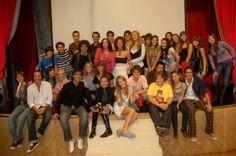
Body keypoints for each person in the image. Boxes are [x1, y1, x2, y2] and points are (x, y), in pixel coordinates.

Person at [54, 70, 92, 153]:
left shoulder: (82, 85)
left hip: (79, 105)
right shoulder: (67, 86)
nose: (78, 76)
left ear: (81, 77)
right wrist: (56, 111)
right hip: (67, 106)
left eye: (80, 75)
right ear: (73, 76)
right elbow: (59, 99)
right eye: (76, 74)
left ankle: (81, 137)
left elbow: (88, 97)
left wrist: (90, 109)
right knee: (63, 118)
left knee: (84, 115)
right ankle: (70, 140)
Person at [183, 66, 217, 142]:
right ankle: (192, 134)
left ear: (192, 73)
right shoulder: (182, 81)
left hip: (196, 99)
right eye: (187, 72)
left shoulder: (197, 80)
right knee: (191, 110)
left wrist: (209, 104)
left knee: (209, 109)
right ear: (185, 74)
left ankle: (209, 131)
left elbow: (205, 92)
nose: (189, 74)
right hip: (186, 99)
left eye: (190, 72)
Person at [26, 70, 52, 153]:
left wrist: (44, 108)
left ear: (41, 76)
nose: (37, 77)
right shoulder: (29, 88)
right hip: (35, 106)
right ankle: (33, 141)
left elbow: (50, 98)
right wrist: (36, 109)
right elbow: (30, 102)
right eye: (35, 76)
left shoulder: (47, 84)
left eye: (39, 76)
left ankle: (40, 132)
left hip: (46, 105)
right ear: (33, 77)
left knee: (48, 116)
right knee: (29, 118)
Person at [207, 33, 235, 105]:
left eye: (212, 38)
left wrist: (234, 59)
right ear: (208, 40)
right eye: (209, 39)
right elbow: (211, 61)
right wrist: (214, 70)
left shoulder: (221, 43)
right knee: (214, 80)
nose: (211, 39)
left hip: (229, 62)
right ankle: (217, 97)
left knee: (226, 81)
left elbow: (231, 48)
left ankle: (222, 98)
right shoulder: (209, 49)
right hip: (220, 64)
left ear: (214, 38)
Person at [147, 72, 173, 137]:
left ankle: (159, 126)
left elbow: (171, 98)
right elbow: (149, 98)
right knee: (151, 106)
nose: (159, 80)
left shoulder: (168, 86)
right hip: (155, 104)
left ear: (164, 79)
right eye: (157, 78)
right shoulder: (152, 85)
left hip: (164, 103)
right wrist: (158, 104)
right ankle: (162, 126)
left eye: (161, 78)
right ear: (155, 79)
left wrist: (166, 104)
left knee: (170, 107)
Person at [8, 71, 29, 150]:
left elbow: (29, 100)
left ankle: (16, 140)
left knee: (20, 118)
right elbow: (16, 101)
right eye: (17, 77)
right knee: (11, 118)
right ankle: (17, 138)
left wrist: (20, 96)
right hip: (21, 105)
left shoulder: (28, 86)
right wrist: (14, 111)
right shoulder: (17, 86)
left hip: (29, 106)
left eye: (21, 76)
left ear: (24, 77)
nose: (19, 78)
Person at [170, 71, 188, 138]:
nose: (174, 78)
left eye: (175, 76)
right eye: (173, 76)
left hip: (180, 101)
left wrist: (178, 104)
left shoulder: (183, 85)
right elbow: (170, 96)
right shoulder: (171, 85)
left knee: (185, 111)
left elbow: (182, 95)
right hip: (173, 101)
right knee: (174, 112)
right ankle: (175, 130)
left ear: (179, 76)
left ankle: (184, 128)